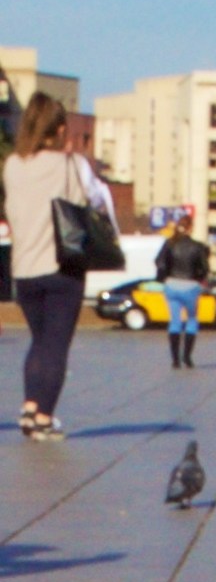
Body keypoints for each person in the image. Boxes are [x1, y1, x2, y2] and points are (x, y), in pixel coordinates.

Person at [1, 94, 96, 439]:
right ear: (59, 130)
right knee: (56, 345)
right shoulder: (68, 164)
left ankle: (29, 408)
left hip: (24, 270)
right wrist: (70, 156)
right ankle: (43, 418)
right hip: (62, 269)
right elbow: (84, 204)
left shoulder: (12, 165)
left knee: (39, 341)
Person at [154, 210, 209, 369]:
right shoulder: (198, 247)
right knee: (192, 319)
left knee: (174, 321)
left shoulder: (169, 244)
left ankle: (175, 360)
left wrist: (164, 277)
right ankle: (187, 357)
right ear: (191, 228)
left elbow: (159, 262)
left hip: (171, 285)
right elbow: (204, 268)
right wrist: (199, 278)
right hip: (190, 285)